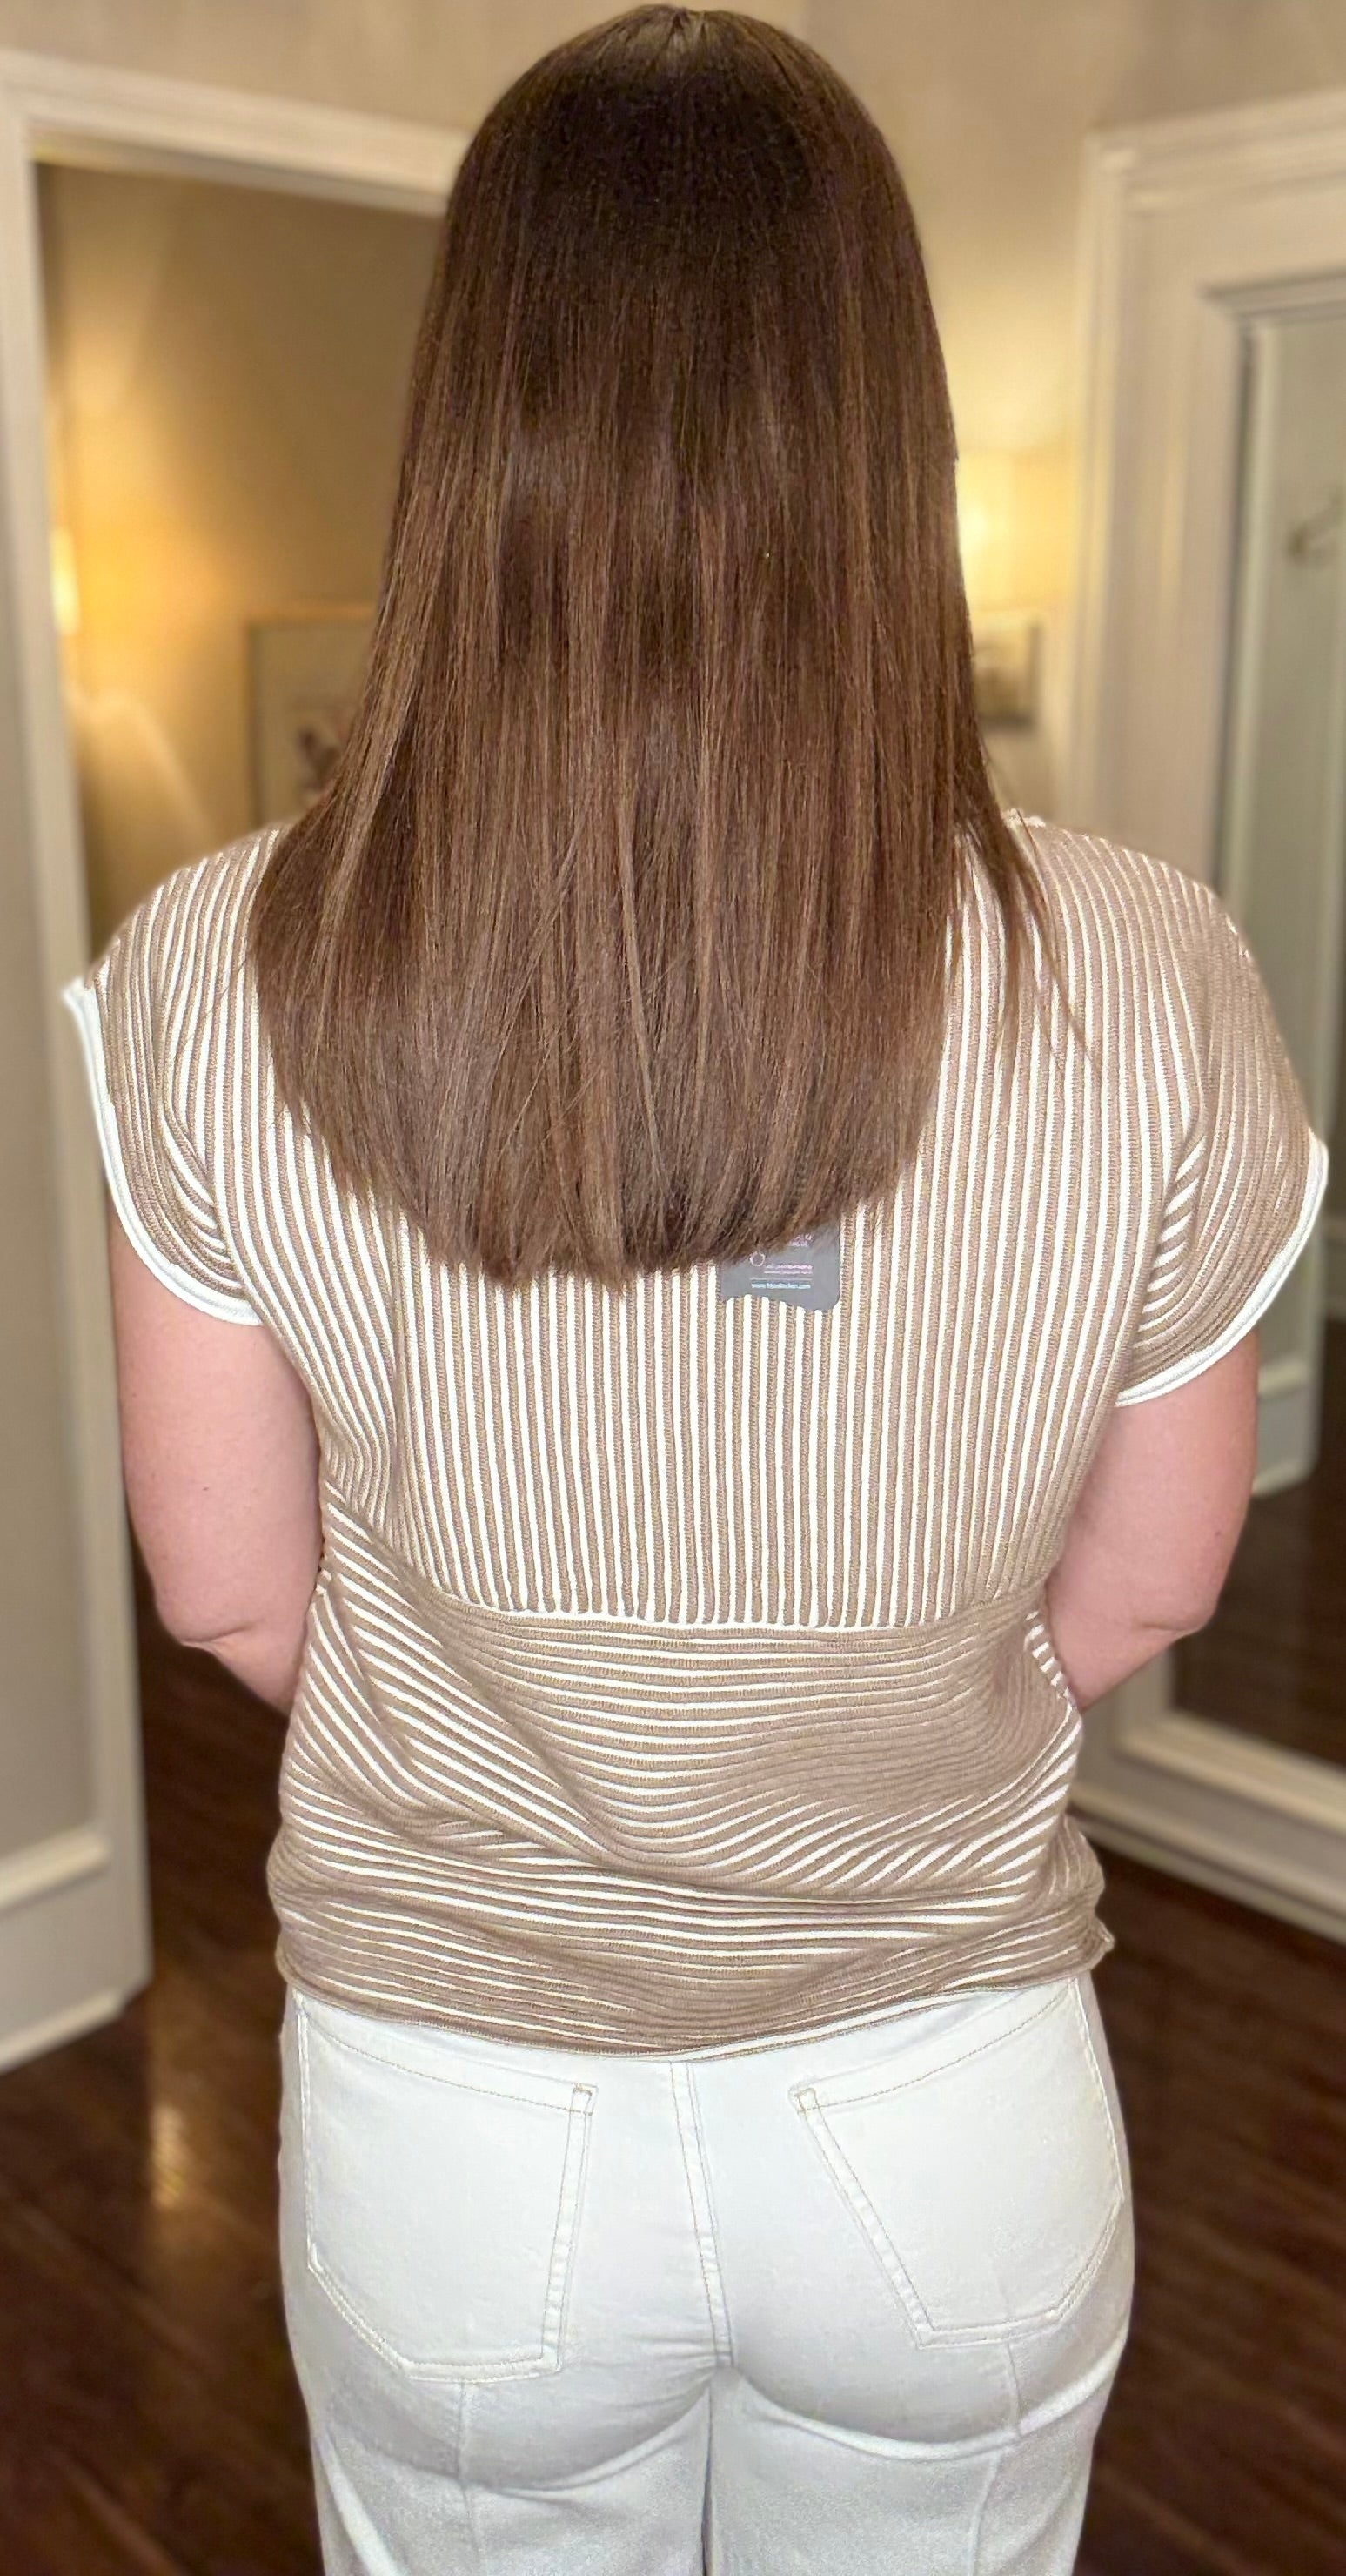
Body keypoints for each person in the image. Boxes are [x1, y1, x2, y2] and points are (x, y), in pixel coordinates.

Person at [62, 8, 1329, 2571]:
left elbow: (225, 1590)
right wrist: (841, 1738)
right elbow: (1157, 1578)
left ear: (475, 426)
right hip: (948, 2116)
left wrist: (543, 1747)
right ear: (883, 436)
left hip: (460, 2141)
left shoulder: (216, 963)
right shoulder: (1144, 969)